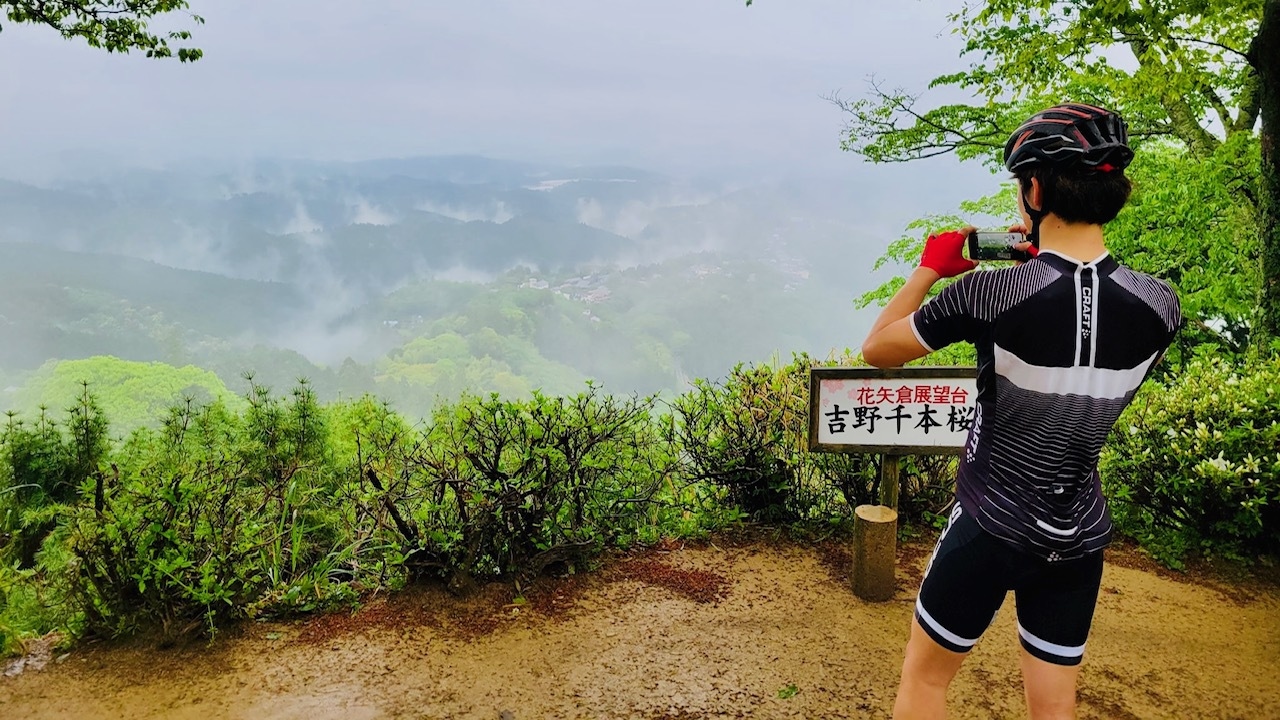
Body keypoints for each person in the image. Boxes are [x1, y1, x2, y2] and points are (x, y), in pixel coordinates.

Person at [860, 103, 1183, 720]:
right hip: (1080, 531)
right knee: (1054, 702)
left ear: (1034, 188)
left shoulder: (992, 290)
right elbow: (1080, 338)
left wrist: (931, 270)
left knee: (925, 681)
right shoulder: (1159, 304)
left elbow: (878, 350)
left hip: (990, 523)